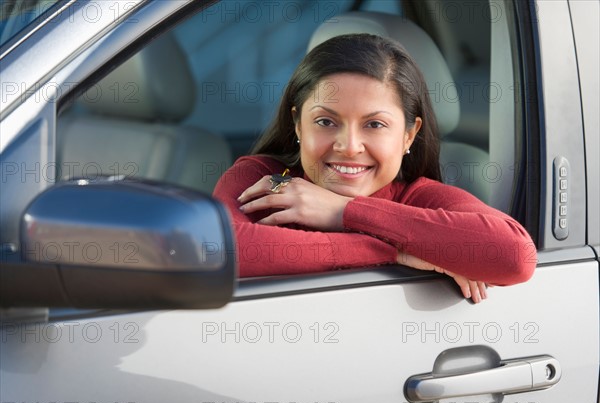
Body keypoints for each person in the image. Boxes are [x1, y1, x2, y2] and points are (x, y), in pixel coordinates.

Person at [213, 33, 536, 303]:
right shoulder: (269, 180)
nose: (349, 146)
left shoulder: (420, 199)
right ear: (298, 125)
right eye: (325, 121)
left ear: (409, 134)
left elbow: (514, 256)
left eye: (375, 124)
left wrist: (344, 211)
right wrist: (393, 252)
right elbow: (219, 251)